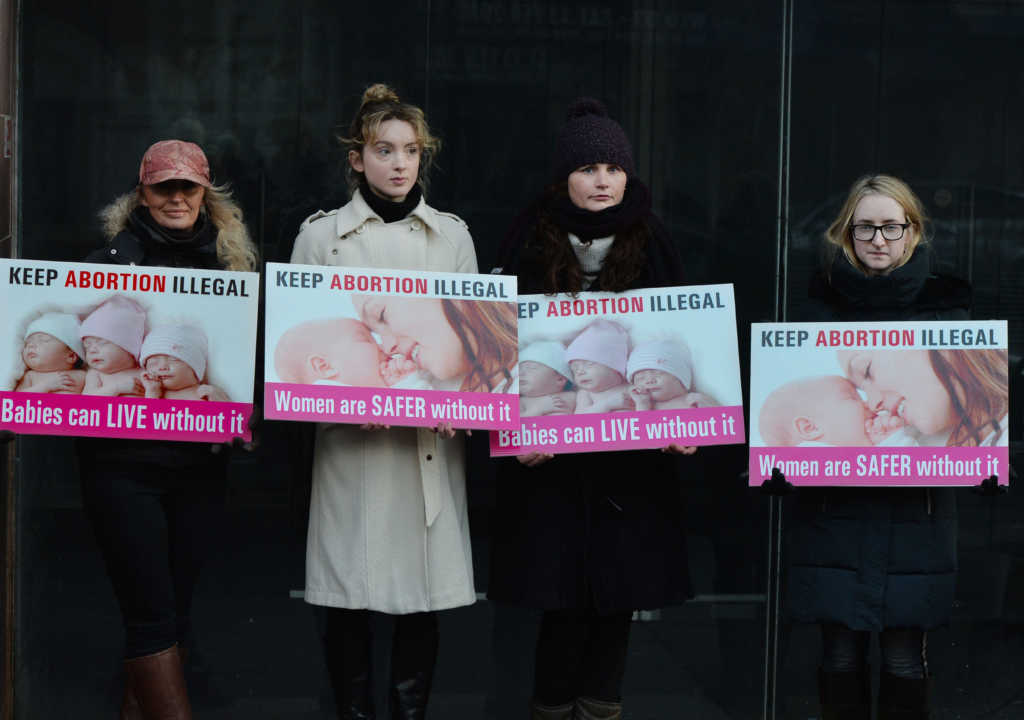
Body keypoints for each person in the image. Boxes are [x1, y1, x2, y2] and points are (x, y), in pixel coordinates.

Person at [490, 98, 695, 720]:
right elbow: (494, 354)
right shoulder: (525, 242)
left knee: (616, 606)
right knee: (557, 608)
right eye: (588, 168)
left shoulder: (655, 241)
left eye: (613, 167)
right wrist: (509, 429)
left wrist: (684, 426)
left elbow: (688, 343)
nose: (602, 179)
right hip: (546, 465)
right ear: (564, 179)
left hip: (629, 472)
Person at [289, 83, 488, 719]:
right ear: (357, 158)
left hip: (425, 448)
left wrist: (463, 402)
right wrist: (337, 396)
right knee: (349, 595)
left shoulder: (452, 237)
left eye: (410, 150)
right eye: (383, 149)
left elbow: (476, 347)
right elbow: (293, 349)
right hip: (353, 448)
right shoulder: (322, 238)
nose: (400, 164)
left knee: (421, 596)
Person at [786, 174, 976, 719]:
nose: (878, 239)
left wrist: (987, 464)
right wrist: (773, 469)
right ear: (845, 233)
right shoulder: (813, 317)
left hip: (916, 516)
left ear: (913, 231)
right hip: (831, 517)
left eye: (892, 226)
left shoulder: (951, 317)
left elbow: (975, 416)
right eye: (865, 226)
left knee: (902, 659)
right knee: (839, 655)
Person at [79, 139, 257, 719]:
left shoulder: (235, 264)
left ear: (207, 192)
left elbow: (246, 363)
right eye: (164, 187)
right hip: (122, 467)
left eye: (188, 186)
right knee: (151, 610)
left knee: (174, 608)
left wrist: (245, 418)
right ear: (143, 192)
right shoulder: (108, 260)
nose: (177, 197)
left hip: (200, 467)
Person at [759, 375, 913, 447]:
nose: (868, 404)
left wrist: (891, 440)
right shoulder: (811, 459)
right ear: (810, 428)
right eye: (853, 398)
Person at [627, 338, 719, 410]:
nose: (649, 381)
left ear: (680, 377)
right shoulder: (639, 407)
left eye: (659, 373)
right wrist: (642, 406)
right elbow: (642, 431)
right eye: (641, 378)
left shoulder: (693, 400)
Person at [14, 312, 86, 393]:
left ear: (71, 356)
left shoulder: (83, 376)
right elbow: (15, 400)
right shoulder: (30, 376)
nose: (31, 345)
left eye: (43, 340)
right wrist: (45, 387)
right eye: (27, 344)